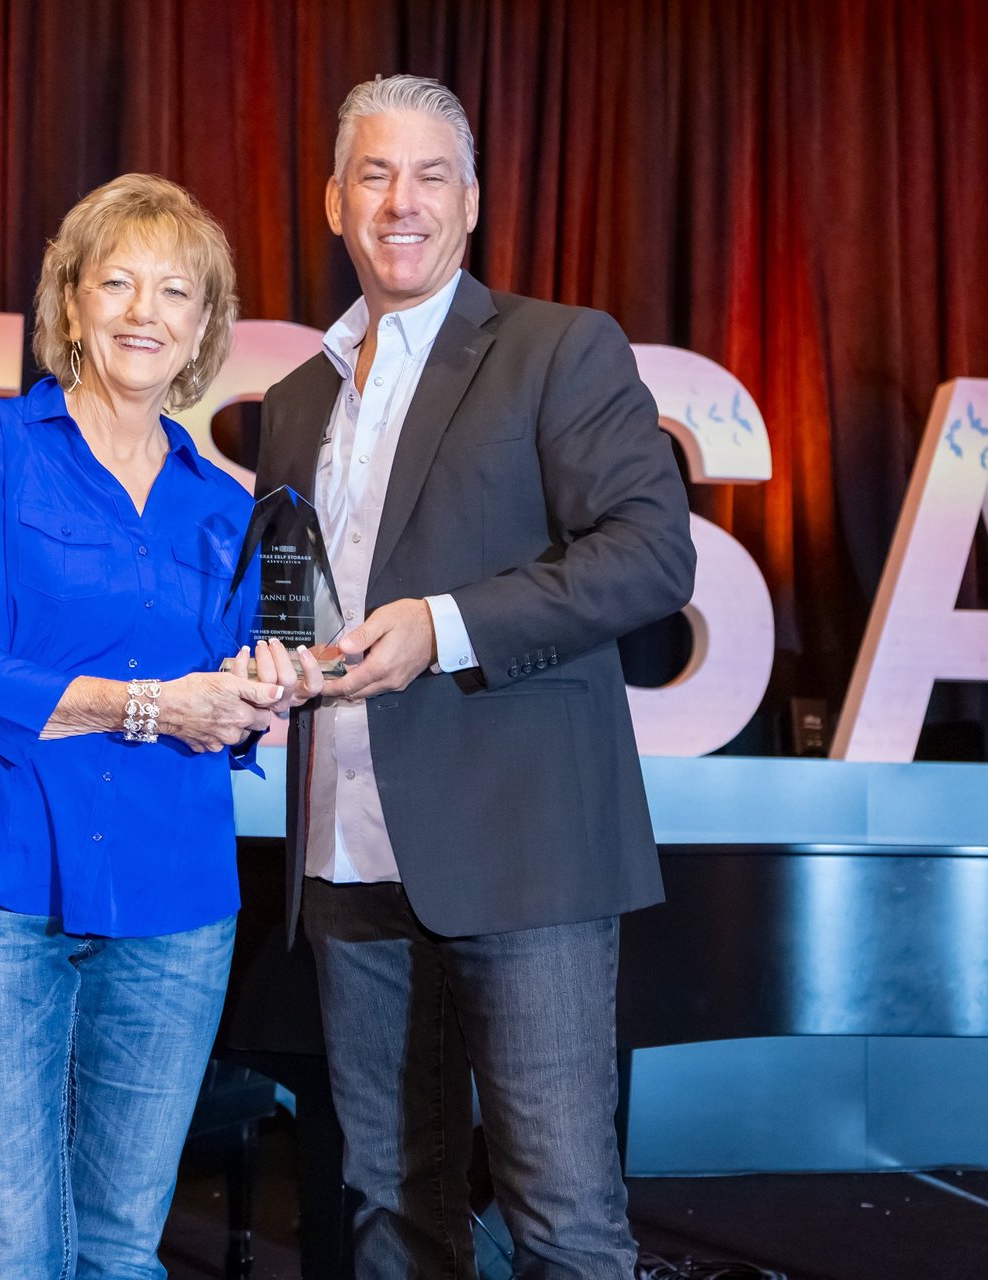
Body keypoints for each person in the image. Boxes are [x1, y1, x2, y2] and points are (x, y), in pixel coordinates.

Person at [254, 75, 698, 1279]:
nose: (401, 201)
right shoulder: (295, 399)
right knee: (388, 1206)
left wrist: (443, 626)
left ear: (473, 201)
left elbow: (652, 554)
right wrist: (267, 662)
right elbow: (297, 597)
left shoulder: (557, 348)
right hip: (344, 853)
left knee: (561, 1217)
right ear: (334, 202)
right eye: (375, 175)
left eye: (430, 175)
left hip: (521, 849)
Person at [0, 173, 325, 1280]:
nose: (143, 312)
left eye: (174, 292)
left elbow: (233, 708)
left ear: (203, 329)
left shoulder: (227, 506)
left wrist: (260, 692)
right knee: (9, 1255)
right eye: (117, 282)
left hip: (173, 906)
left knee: (122, 1253)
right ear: (70, 303)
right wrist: (149, 706)